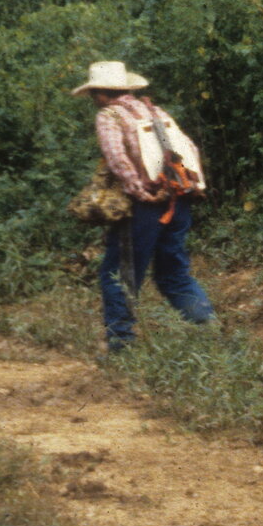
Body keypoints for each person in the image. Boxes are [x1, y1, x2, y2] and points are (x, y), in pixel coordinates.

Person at [75, 60, 215, 353]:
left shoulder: (109, 115)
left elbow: (117, 159)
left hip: (147, 206)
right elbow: (190, 149)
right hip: (179, 199)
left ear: (100, 93)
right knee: (173, 271)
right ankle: (210, 328)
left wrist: (140, 192)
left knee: (118, 272)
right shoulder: (154, 110)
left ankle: (121, 346)